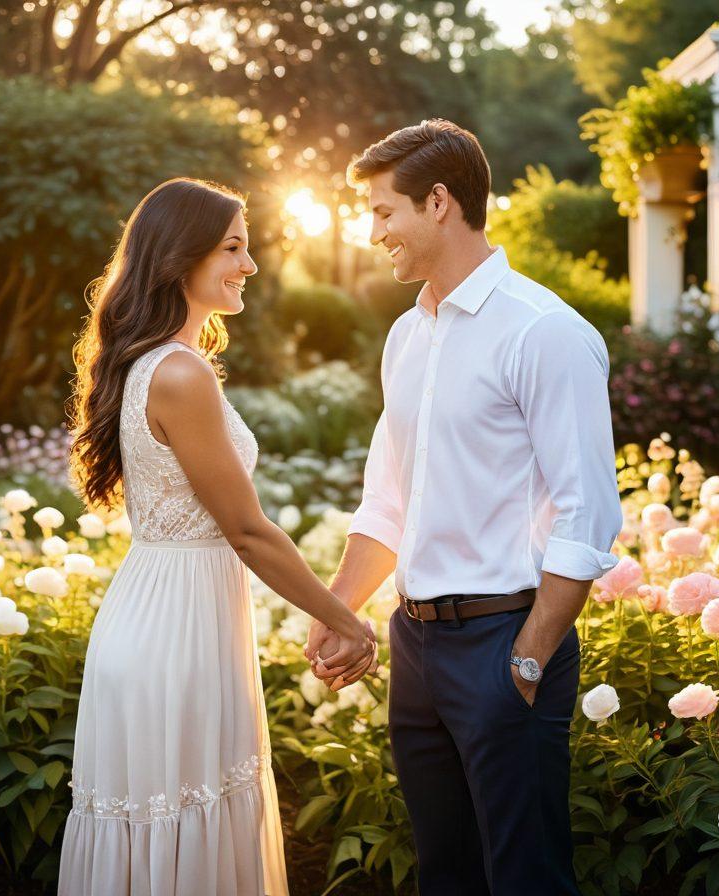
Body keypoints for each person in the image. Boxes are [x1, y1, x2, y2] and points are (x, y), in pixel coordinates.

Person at [304, 121, 623, 895]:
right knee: (445, 875)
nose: (373, 231)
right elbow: (388, 499)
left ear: (439, 202)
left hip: (504, 643)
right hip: (415, 647)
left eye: (384, 212)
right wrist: (340, 611)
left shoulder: (545, 332)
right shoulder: (408, 336)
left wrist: (530, 655)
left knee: (525, 877)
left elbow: (588, 514)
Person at [59, 178, 377, 896]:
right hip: (175, 634)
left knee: (170, 828)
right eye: (234, 246)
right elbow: (246, 530)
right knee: (182, 823)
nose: (251, 265)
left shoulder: (158, 363)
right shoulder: (178, 372)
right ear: (181, 258)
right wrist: (344, 619)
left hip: (171, 614)